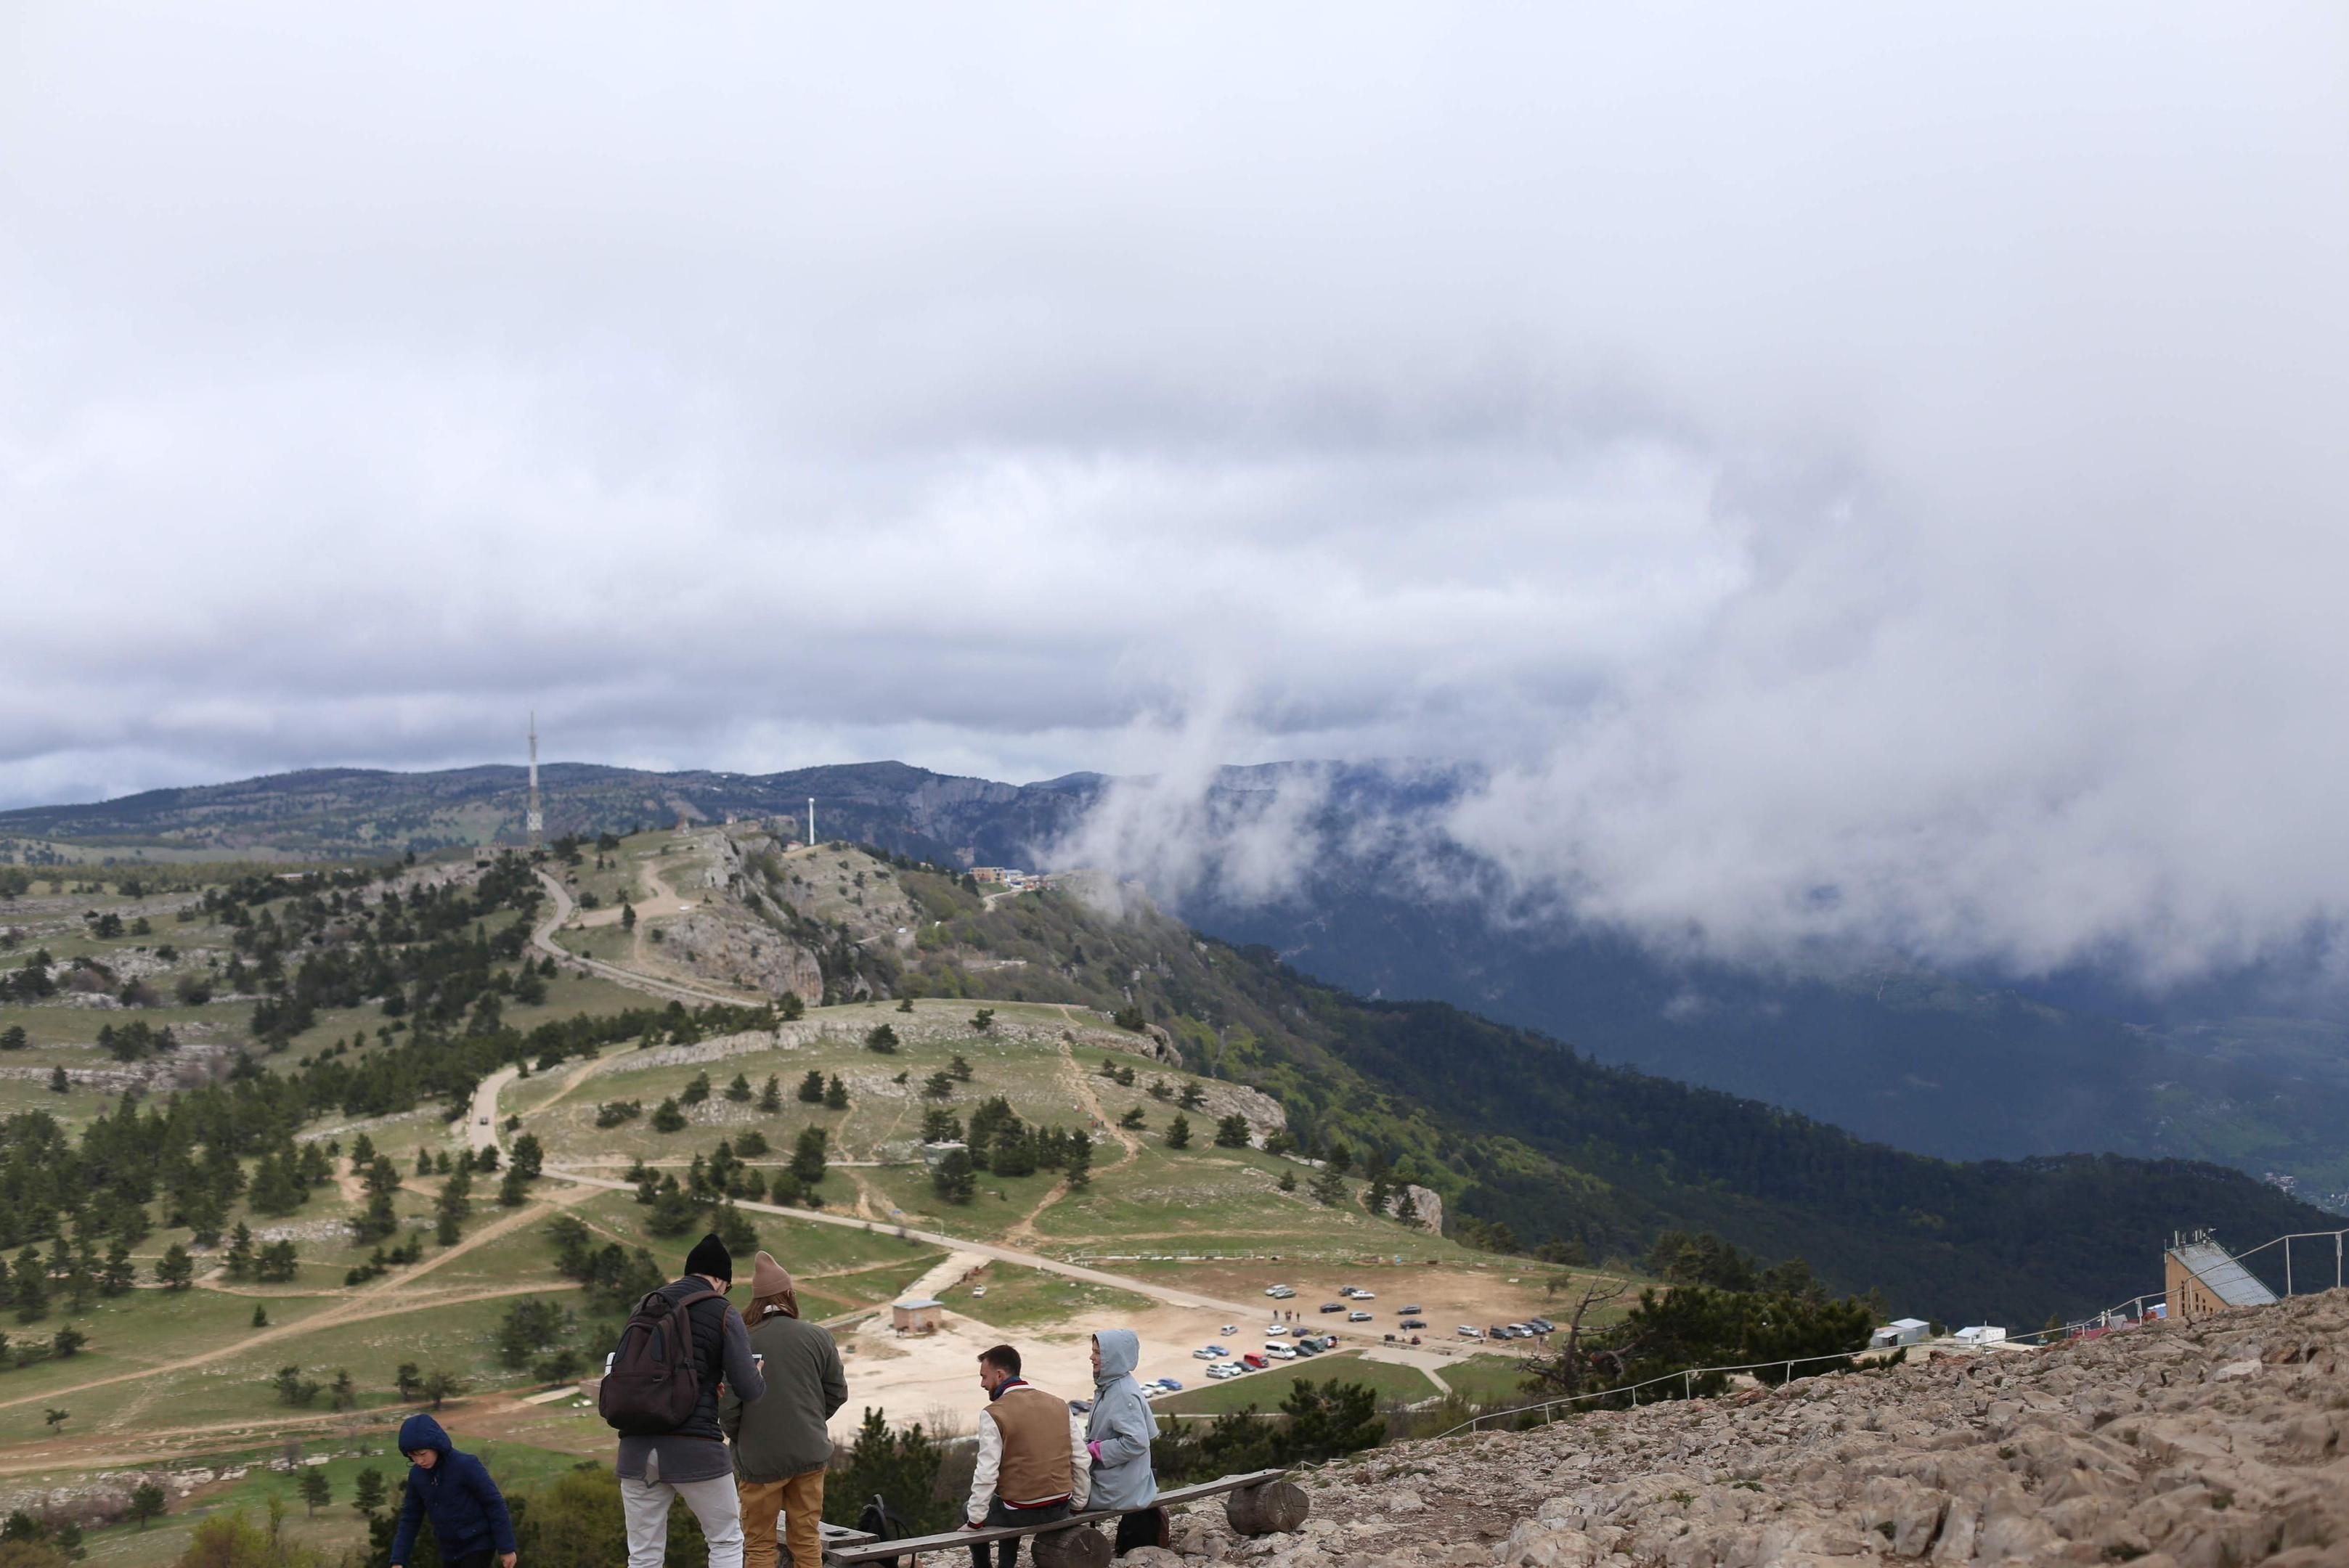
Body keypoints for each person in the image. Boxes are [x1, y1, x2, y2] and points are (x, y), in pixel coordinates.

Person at [618, 1232, 768, 1568]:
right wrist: (756, 1373)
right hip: (694, 1444)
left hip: (636, 1448)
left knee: (643, 1554)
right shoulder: (722, 1310)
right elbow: (748, 1389)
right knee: (725, 1540)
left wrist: (708, 1381)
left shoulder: (646, 1304)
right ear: (720, 1280)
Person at [720, 1251, 847, 1568]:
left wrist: (744, 1435)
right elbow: (837, 1393)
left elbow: (728, 1407)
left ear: (756, 1300)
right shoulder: (818, 1336)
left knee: (760, 1543)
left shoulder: (741, 1342)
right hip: (809, 1453)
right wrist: (809, 1419)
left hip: (760, 1459)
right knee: (806, 1538)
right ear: (789, 1294)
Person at [961, 1344, 1091, 1568]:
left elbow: (986, 1473)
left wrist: (975, 1521)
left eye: (984, 1377)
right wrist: (1078, 1504)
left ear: (1000, 1375)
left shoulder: (994, 1413)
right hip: (1061, 1507)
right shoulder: (1059, 1404)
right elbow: (1081, 1458)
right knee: (1008, 1500)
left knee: (972, 1508)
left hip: (1022, 1512)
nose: (982, 1384)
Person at [387, 1413, 517, 1568]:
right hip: (449, 1550)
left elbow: (494, 1503)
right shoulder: (417, 1476)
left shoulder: (466, 1465)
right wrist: (398, 1560)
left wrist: (506, 1548)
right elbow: (410, 1518)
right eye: (412, 1457)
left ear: (435, 1445)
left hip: (478, 1544)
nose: (419, 1461)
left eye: (422, 1454)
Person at [1082, 1330, 1160, 1556]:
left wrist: (1096, 1450)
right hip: (1118, 1478)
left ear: (1114, 1356)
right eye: (1093, 1351)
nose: (1092, 1357)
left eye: (1098, 1353)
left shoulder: (1123, 1394)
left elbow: (1137, 1442)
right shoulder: (1111, 1385)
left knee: (1060, 1499)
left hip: (1121, 1486)